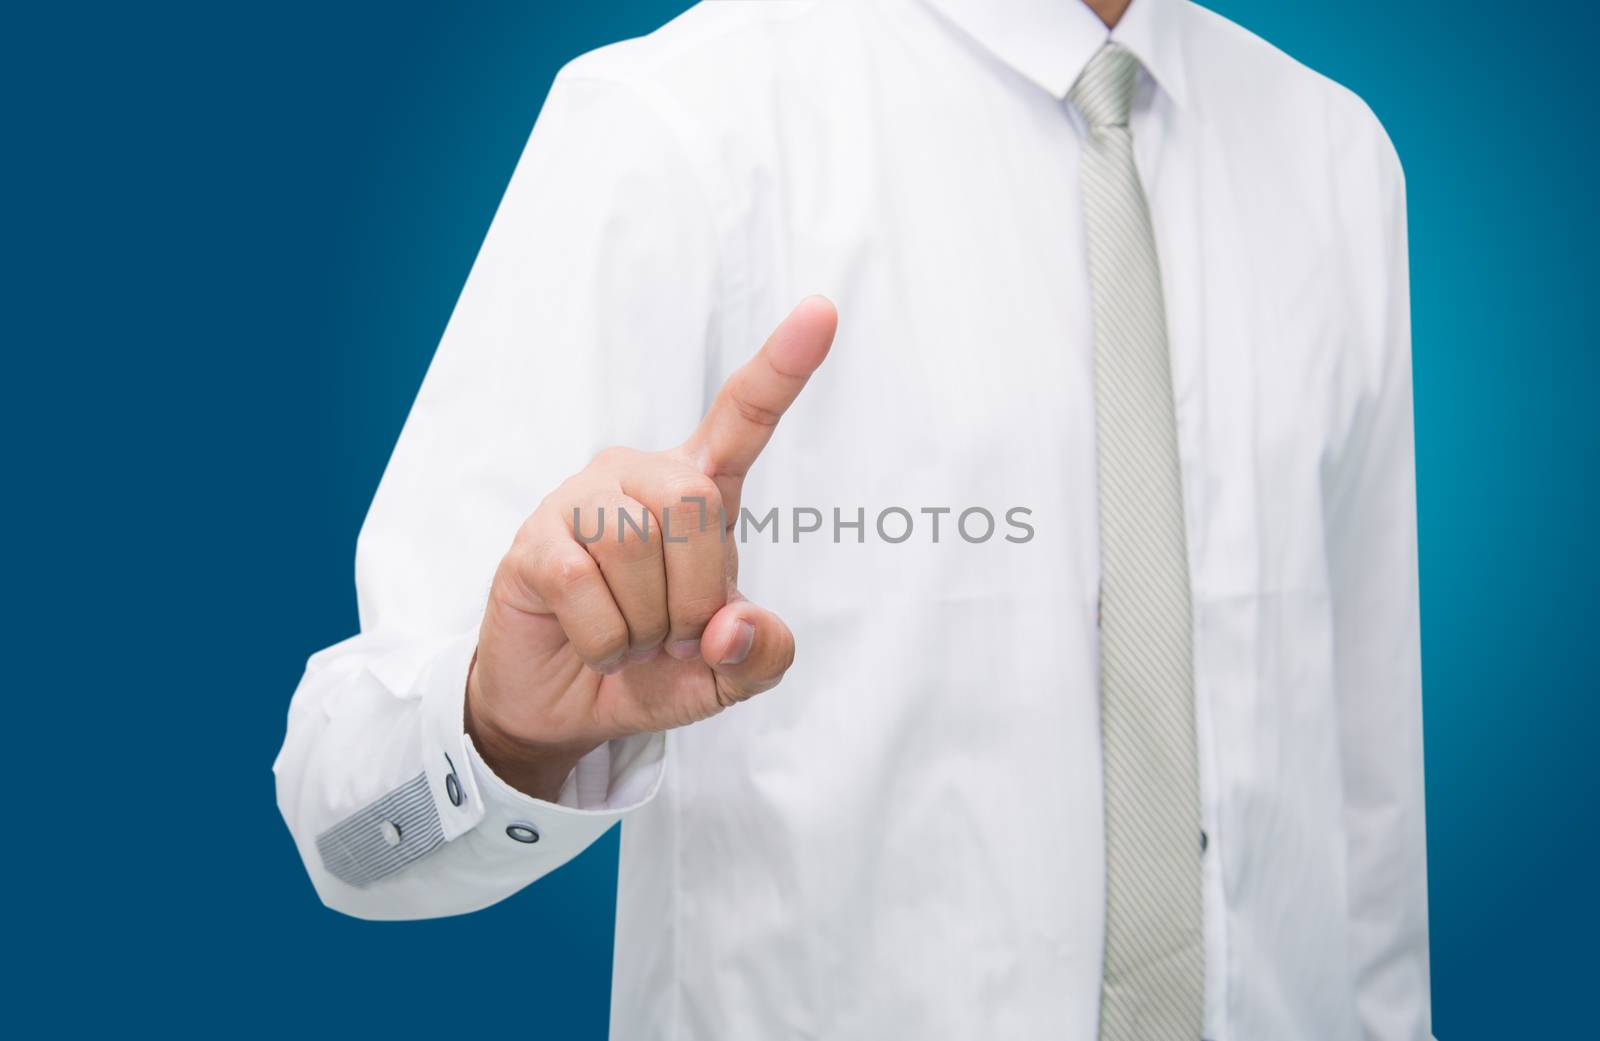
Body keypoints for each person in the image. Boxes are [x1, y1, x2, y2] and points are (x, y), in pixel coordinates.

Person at [273, 0, 1433, 1037]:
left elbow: (1366, 795)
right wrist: (502, 731)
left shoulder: (1336, 154)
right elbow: (348, 833)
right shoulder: (675, 123)